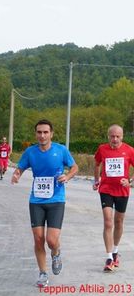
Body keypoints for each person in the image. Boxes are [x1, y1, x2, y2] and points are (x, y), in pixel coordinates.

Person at [11, 119, 78, 287]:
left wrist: (67, 176)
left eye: (45, 132)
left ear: (51, 134)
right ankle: (42, 273)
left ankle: (56, 253)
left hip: (56, 200)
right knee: (38, 239)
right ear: (36, 134)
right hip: (36, 201)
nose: (42, 135)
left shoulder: (61, 150)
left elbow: (74, 167)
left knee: (51, 240)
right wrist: (16, 174)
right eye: (39, 132)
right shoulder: (30, 152)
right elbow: (21, 167)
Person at [92, 124, 134, 272]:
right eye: (112, 136)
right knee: (108, 221)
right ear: (108, 136)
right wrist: (96, 180)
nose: (115, 139)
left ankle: (115, 252)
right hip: (106, 190)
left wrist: (129, 181)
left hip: (122, 191)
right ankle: (109, 257)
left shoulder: (129, 150)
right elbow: (97, 164)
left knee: (118, 221)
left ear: (122, 137)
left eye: (117, 136)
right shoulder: (102, 149)